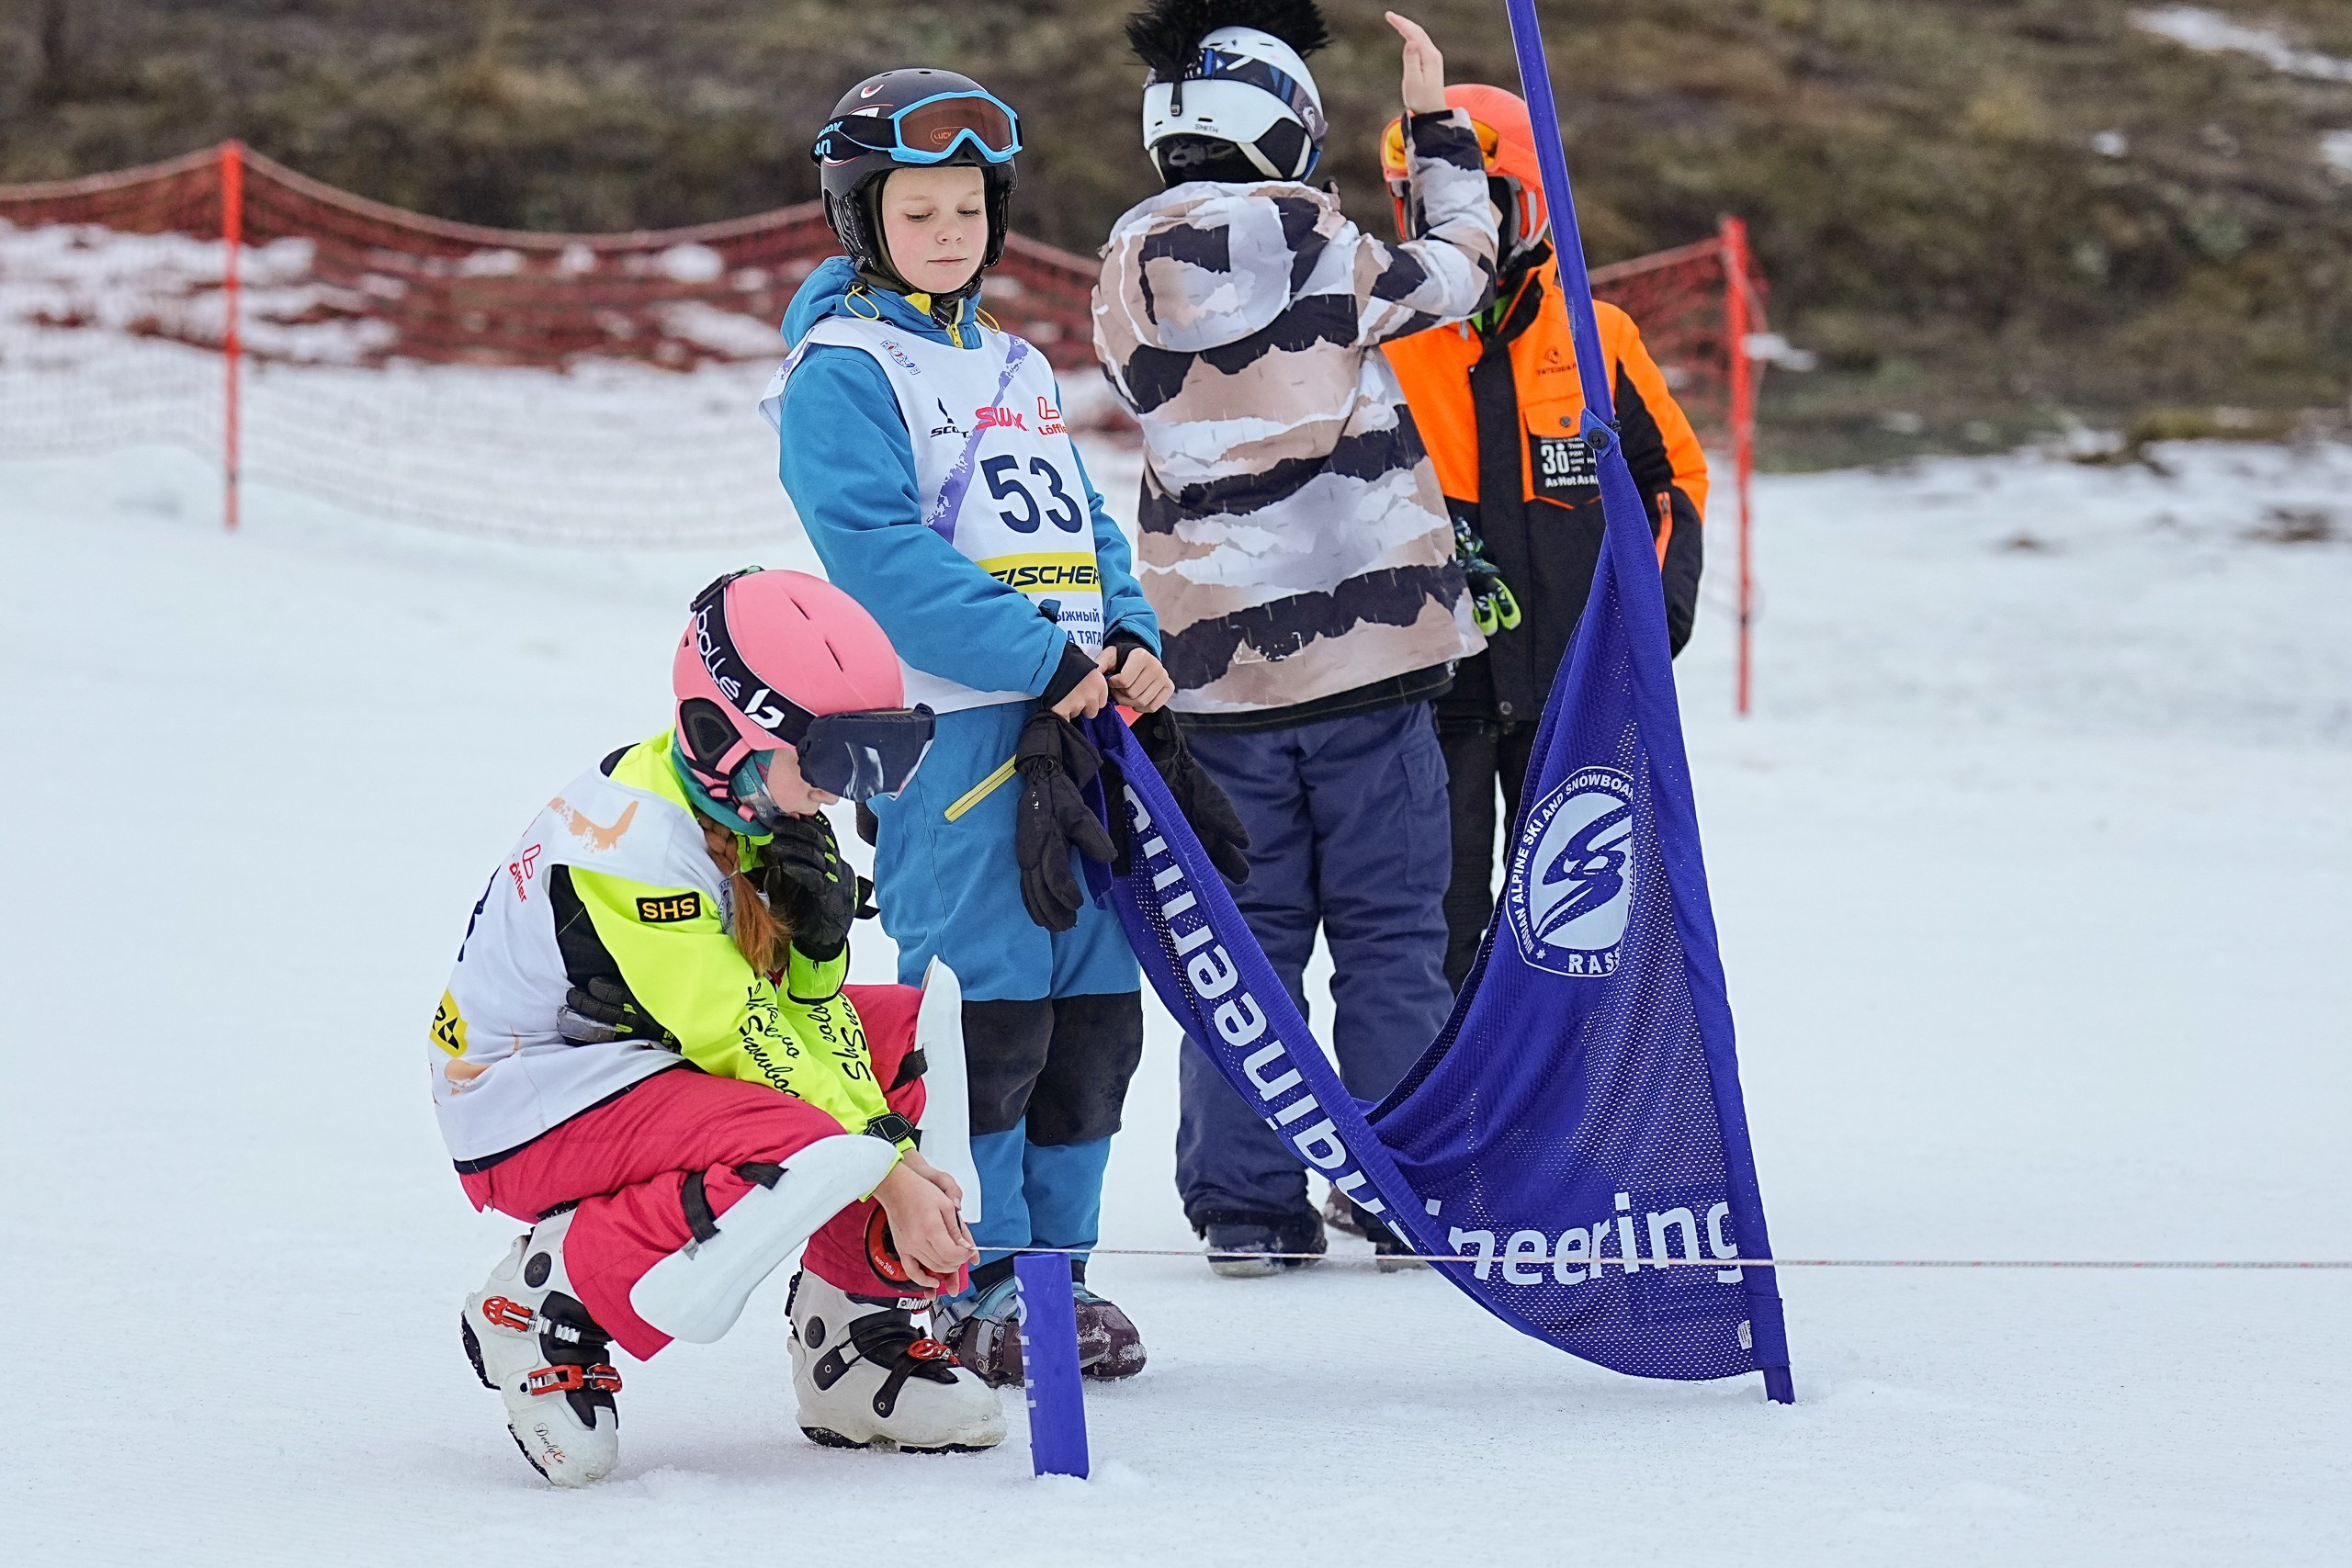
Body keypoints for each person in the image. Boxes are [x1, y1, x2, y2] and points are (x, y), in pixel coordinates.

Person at [762, 67, 1225, 1385]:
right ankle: (970, 1276)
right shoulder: (845, 372)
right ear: (863, 221)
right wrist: (1036, 657)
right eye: (920, 212)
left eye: (969, 206)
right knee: (987, 1025)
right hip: (964, 737)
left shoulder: (1010, 358)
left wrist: (1129, 637)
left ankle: (1054, 1278)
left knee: (1093, 1025)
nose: (952, 231)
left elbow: (1075, 518)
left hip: (1077, 733)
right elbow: (875, 551)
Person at [432, 567, 1000, 1486]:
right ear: (719, 735)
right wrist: (890, 1167)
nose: (839, 791)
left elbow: (802, 1018)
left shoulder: (752, 808)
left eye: (869, 762)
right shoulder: (628, 848)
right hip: (526, 1105)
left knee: (904, 1033)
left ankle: (853, 1343)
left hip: (640, 1071)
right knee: (808, 1145)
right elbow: (740, 1036)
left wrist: (817, 954)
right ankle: (543, 1303)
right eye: (828, 762)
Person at [1094, 2, 1498, 1273]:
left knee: (1249, 939)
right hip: (1371, 652)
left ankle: (1246, 1203)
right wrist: (1437, 132)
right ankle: (1397, 1183)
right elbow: (1461, 268)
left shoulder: (1118, 270)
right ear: (1292, 123)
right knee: (1392, 931)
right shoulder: (1318, 236)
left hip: (1212, 670)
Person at [1378, 85, 1710, 990]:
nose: (1469, 229)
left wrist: (1651, 618)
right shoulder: (1382, 347)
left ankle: (1567, 1116)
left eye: (1491, 200)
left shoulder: (1596, 339)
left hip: (1572, 693)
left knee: (1573, 935)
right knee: (1427, 935)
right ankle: (1438, 1118)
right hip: (1429, 698)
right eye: (1435, 205)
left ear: (1531, 204)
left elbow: (1672, 478)